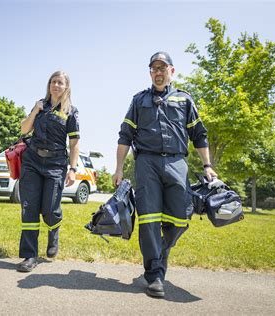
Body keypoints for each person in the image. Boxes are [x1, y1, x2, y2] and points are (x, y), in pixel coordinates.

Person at [112, 52, 217, 298]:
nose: (158, 72)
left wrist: (207, 165)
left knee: (182, 216)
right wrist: (118, 168)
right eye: (154, 68)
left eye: (163, 68)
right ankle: (155, 275)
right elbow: (125, 135)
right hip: (146, 163)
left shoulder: (185, 100)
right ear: (150, 72)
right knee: (149, 219)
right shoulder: (139, 100)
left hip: (177, 162)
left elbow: (199, 134)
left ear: (172, 71)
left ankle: (160, 251)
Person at [17, 70, 80, 273]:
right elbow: (24, 129)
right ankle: (29, 255)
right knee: (29, 208)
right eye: (53, 82)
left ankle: (54, 231)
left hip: (55, 164)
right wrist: (35, 110)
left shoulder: (71, 111)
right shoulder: (40, 106)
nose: (56, 85)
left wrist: (73, 169)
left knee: (50, 209)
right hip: (32, 161)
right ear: (49, 85)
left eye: (60, 82)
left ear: (66, 87)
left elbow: (74, 144)